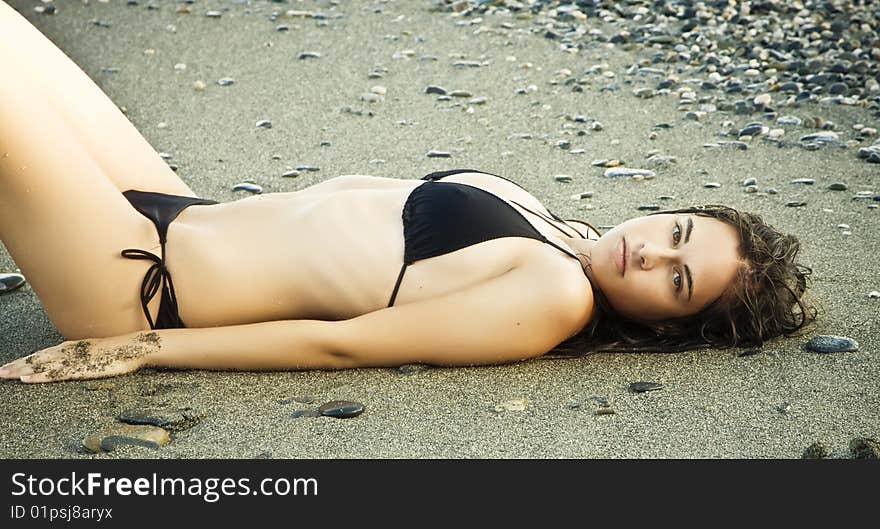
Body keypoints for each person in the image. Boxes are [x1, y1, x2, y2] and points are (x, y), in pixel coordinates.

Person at [0, 3, 816, 384]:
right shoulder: (566, 233)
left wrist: (136, 349)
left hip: (143, 284)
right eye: (676, 229)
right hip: (174, 209)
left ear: (666, 324)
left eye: (676, 279)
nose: (651, 250)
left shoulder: (558, 293)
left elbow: (349, 343)